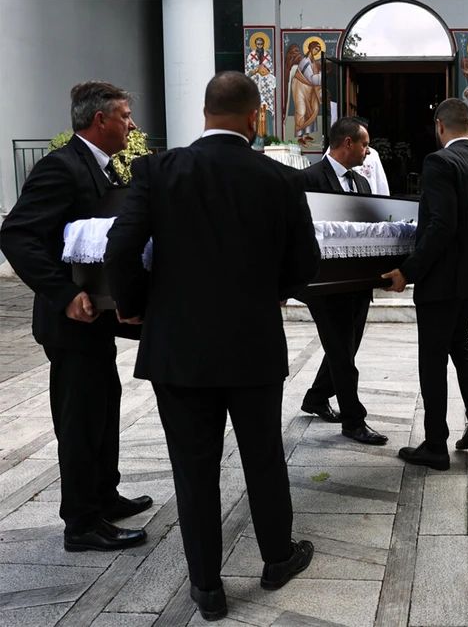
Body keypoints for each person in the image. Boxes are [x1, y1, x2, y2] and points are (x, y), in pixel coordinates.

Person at [104, 72, 320, 622]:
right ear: (255, 119)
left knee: (193, 467)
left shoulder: (158, 169)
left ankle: (206, 587)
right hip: (252, 344)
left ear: (204, 113)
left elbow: (121, 246)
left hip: (179, 346)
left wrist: (134, 306)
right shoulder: (280, 179)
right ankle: (276, 559)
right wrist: (269, 294)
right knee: (264, 457)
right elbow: (305, 264)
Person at [0, 81, 152, 553]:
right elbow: (17, 235)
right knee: (80, 421)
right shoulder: (60, 167)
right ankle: (81, 523)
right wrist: (63, 293)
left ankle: (103, 497)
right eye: (125, 115)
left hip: (95, 321)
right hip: (69, 322)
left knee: (103, 409)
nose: (131, 124)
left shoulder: (99, 168)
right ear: (99, 120)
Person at [382, 99, 468, 471]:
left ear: (439, 125)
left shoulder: (440, 162)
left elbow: (441, 225)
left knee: (433, 357)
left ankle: (435, 444)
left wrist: (409, 270)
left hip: (441, 277)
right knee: (459, 342)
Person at [298, 117, 388, 446]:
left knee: (346, 348)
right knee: (341, 351)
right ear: (347, 143)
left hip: (358, 284)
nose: (368, 151)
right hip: (324, 284)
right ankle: (353, 420)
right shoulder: (307, 179)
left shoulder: (362, 184)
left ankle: (316, 397)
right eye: (364, 144)